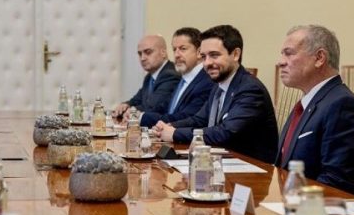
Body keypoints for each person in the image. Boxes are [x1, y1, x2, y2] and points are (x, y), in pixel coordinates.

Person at [154, 25, 278, 163]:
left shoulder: (250, 89)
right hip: (222, 163)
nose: (207, 63)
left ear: (235, 54)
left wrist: (175, 134)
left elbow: (225, 132)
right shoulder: (218, 86)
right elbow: (199, 120)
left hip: (252, 168)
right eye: (203, 56)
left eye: (214, 55)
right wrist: (170, 126)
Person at [274, 25, 354, 196]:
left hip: (317, 208)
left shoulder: (342, 105)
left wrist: (293, 203)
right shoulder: (307, 103)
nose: (280, 62)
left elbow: (337, 182)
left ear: (319, 58)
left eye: (289, 53)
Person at [140, 27, 215, 127]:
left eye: (183, 49)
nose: (176, 55)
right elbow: (166, 108)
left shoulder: (206, 81)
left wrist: (142, 118)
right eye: (174, 49)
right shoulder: (183, 78)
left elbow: (186, 117)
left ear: (199, 52)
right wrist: (138, 115)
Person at [112, 35, 180, 118]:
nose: (142, 58)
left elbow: (154, 107)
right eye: (140, 54)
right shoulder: (149, 77)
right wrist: (126, 105)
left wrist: (131, 110)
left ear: (163, 53)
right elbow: (137, 99)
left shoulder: (170, 75)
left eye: (148, 52)